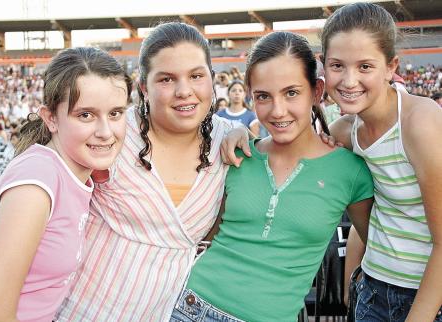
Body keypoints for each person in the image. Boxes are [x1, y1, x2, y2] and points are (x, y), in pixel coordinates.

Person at [170, 31, 374, 322]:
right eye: (264, 96)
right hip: (188, 307)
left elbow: (376, 243)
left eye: (291, 92)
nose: (278, 111)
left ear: (316, 92)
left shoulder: (350, 170)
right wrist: (234, 132)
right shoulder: (237, 153)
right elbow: (208, 235)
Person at [56, 22, 241, 322]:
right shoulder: (111, 132)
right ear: (144, 86)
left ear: (212, 79)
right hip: (75, 310)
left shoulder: (230, 139)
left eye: (196, 76)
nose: (184, 91)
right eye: (167, 79)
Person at [0, 47, 130, 322]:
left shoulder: (73, 172)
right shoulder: (37, 182)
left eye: (115, 114)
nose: (106, 132)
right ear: (51, 119)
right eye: (86, 115)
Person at [320, 3, 442, 321]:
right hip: (372, 290)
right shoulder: (345, 132)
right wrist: (236, 135)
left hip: (428, 298)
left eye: (365, 67)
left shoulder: (420, 122)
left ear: (390, 67)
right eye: (337, 65)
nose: (349, 80)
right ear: (323, 66)